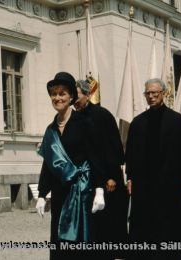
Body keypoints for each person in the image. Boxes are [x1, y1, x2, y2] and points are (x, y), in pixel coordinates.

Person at [36, 72, 106, 260]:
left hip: (82, 192)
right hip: (60, 193)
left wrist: (99, 190)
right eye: (54, 94)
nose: (57, 98)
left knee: (81, 242)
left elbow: (96, 158)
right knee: (59, 240)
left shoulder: (84, 123)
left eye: (62, 94)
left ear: (71, 97)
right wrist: (42, 194)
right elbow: (48, 164)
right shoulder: (50, 129)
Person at [125, 78, 181, 260]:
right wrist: (130, 177)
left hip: (170, 183)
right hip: (143, 184)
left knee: (170, 225)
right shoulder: (137, 123)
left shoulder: (178, 121)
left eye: (155, 92)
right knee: (143, 226)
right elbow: (130, 153)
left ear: (163, 93)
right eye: (148, 93)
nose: (151, 96)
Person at [74, 78, 128, 259]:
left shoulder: (102, 115)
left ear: (87, 95)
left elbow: (113, 147)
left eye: (77, 95)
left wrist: (112, 175)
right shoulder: (74, 117)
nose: (74, 99)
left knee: (108, 220)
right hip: (86, 179)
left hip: (107, 177)